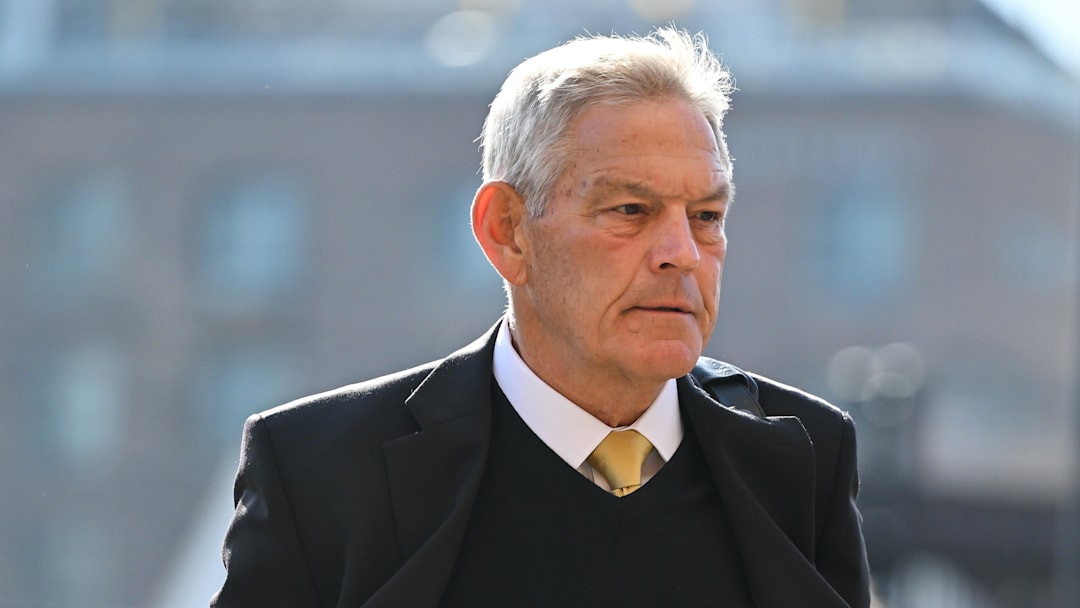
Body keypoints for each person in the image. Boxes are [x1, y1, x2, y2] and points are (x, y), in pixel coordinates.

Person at [212, 27, 870, 608]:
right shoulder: (322, 471)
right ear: (508, 232)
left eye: (707, 217)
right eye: (630, 212)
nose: (683, 255)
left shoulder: (805, 456)